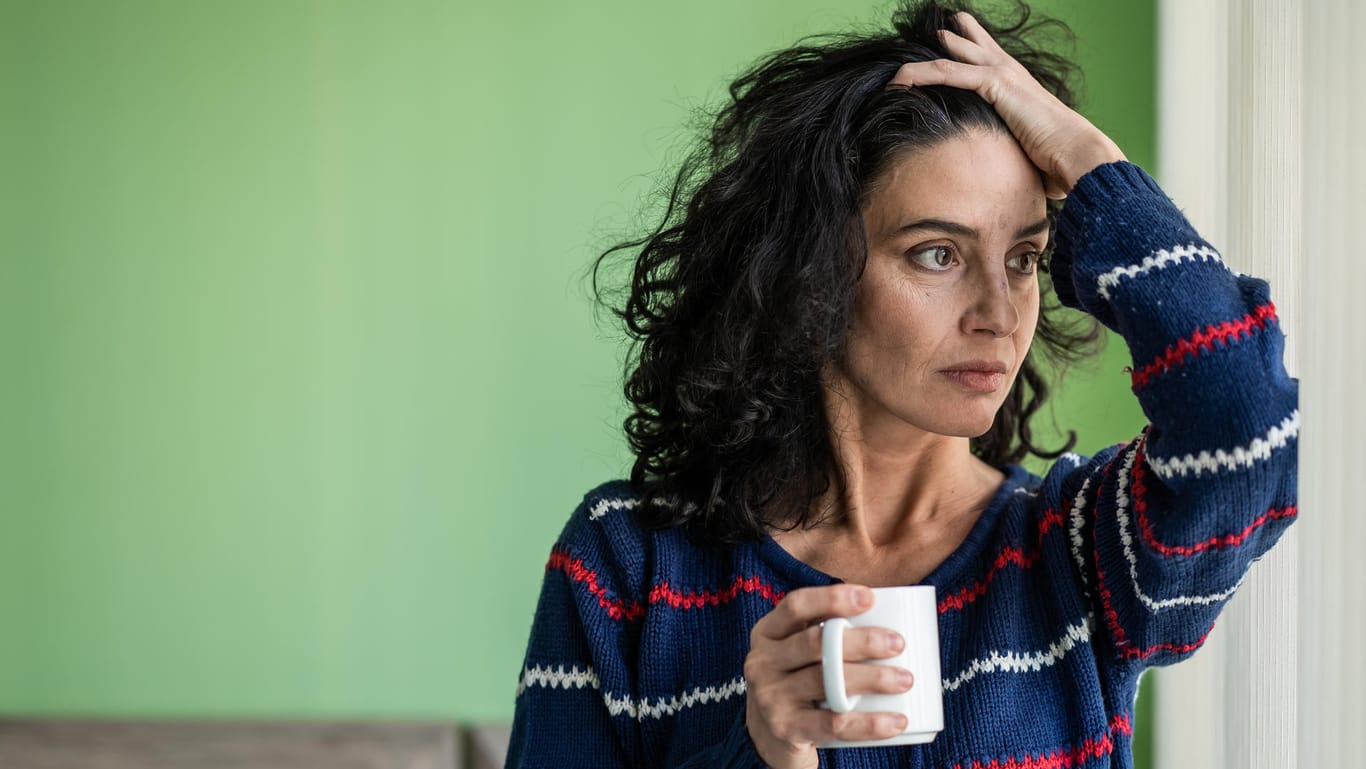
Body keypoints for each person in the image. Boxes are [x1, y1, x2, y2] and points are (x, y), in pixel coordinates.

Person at [505, 1, 1298, 767]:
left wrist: (1095, 168)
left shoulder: (1076, 553)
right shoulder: (627, 563)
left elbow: (1244, 426)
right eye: (937, 253)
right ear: (809, 272)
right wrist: (762, 754)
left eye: (1024, 258)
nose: (999, 313)